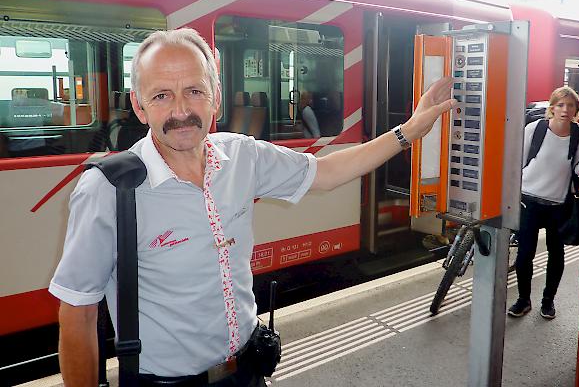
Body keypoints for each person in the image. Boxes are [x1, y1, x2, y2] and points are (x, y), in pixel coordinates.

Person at [49, 28, 455, 387]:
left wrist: (409, 132)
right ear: (139, 107)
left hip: (248, 369)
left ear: (216, 99)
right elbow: (78, 313)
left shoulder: (242, 157)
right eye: (161, 95)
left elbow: (327, 172)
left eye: (194, 90)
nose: (181, 111)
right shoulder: (108, 190)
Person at [508, 86, 579, 320]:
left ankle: (548, 301)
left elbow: (577, 170)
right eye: (561, 105)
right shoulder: (534, 129)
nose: (566, 110)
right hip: (528, 200)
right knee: (525, 254)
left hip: (558, 204)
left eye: (571, 105)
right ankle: (523, 300)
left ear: (577, 109)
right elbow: (518, 163)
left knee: (557, 254)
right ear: (552, 108)